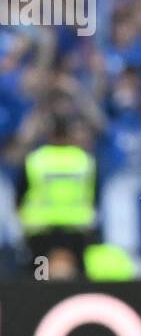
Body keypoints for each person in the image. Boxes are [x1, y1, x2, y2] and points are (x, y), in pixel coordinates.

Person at [17, 114, 99, 280]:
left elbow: (20, 195)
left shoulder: (35, 160)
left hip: (41, 230)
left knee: (40, 275)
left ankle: (38, 304)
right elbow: (95, 195)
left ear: (49, 135)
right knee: (78, 275)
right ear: (69, 135)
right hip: (76, 228)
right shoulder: (84, 161)